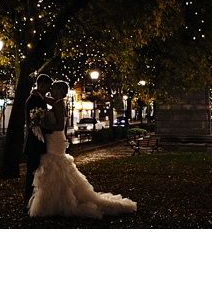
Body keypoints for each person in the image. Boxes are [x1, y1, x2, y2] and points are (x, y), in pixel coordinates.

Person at [27, 80, 137, 218]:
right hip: (53, 140)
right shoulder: (55, 101)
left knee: (55, 166)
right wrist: (36, 93)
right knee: (54, 169)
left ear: (60, 90)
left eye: (53, 88)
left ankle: (57, 203)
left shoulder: (59, 104)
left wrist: (42, 126)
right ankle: (55, 201)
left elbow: (60, 126)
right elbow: (45, 98)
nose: (50, 89)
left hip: (55, 140)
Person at [23, 74, 53, 210]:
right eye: (47, 86)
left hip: (36, 143)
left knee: (35, 174)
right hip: (34, 143)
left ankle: (33, 201)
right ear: (41, 85)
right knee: (32, 174)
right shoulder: (34, 100)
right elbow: (34, 123)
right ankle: (28, 203)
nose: (48, 89)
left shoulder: (38, 98)